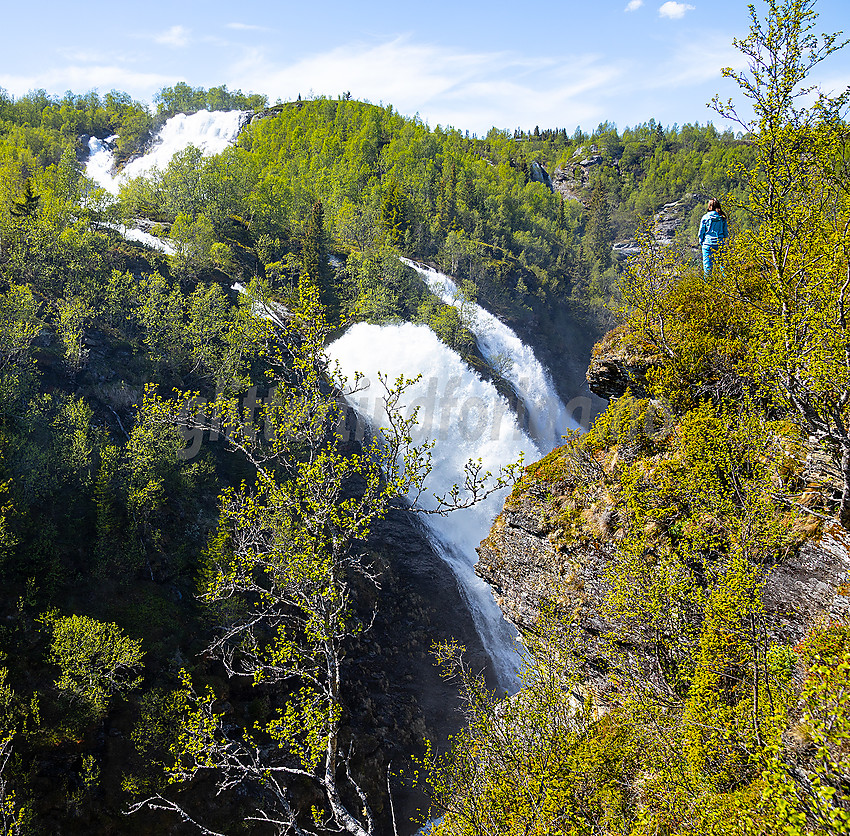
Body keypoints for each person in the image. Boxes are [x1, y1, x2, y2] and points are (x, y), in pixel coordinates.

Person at [698, 198, 728, 275]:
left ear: (710, 206)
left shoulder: (705, 217)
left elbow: (701, 232)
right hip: (720, 243)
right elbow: (725, 233)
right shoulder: (722, 218)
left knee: (707, 268)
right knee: (723, 267)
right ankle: (727, 284)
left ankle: (708, 285)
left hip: (708, 243)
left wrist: (701, 241)